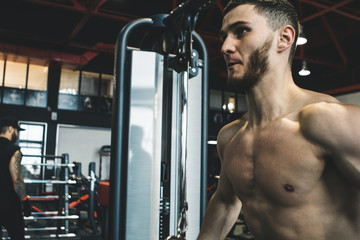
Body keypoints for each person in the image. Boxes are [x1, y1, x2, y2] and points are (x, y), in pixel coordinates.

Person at [197, 0, 360, 239]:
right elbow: (225, 200)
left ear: (284, 38)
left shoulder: (327, 121)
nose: (225, 47)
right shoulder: (230, 137)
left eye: (241, 31)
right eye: (224, 36)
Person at [0, 118, 30, 240]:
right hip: (9, 204)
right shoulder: (13, 150)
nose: (17, 134)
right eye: (17, 130)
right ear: (11, 129)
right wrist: (25, 200)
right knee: (17, 236)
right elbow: (16, 179)